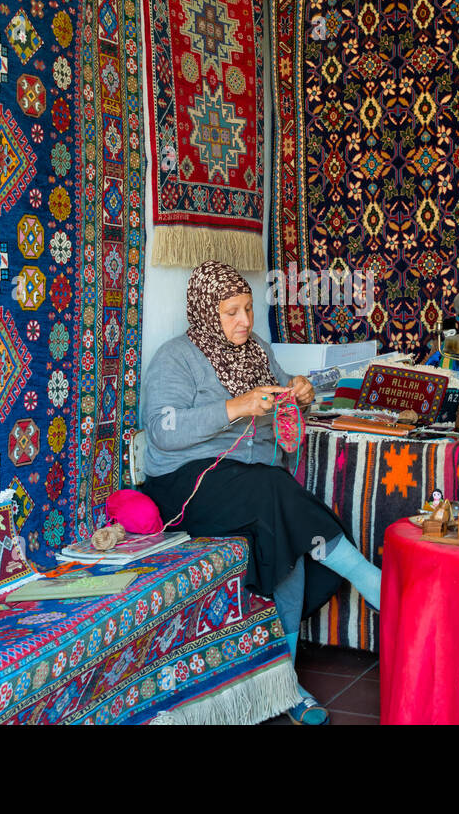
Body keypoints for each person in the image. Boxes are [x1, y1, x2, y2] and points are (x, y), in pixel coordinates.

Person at [140, 260, 383, 725]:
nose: (245, 321)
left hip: (250, 485)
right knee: (273, 493)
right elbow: (163, 430)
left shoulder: (258, 352)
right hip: (185, 485)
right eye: (231, 311)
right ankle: (367, 578)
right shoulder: (177, 357)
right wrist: (236, 406)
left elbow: (278, 417)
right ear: (206, 313)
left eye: (249, 308)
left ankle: (286, 682)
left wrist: (300, 393)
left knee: (280, 529)